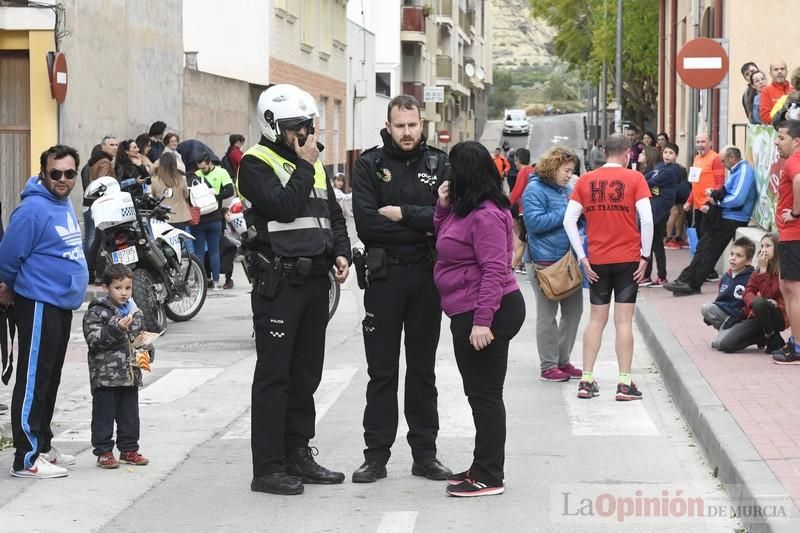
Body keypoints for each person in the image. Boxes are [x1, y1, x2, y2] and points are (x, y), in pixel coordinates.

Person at [236, 84, 351, 495]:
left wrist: (341, 252)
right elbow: (283, 207)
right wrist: (303, 166)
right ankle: (267, 468)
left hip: (316, 282)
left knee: (306, 374)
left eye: (308, 126)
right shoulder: (255, 163)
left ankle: (298, 454)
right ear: (271, 126)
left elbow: (333, 215)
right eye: (295, 127)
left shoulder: (314, 165)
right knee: (275, 377)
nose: (304, 134)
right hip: (279, 283)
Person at [351, 94, 451, 484]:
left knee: (423, 371)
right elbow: (367, 225)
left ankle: (425, 455)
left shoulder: (440, 164)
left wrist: (404, 214)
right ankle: (375, 457)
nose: (407, 132)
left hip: (428, 277)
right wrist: (423, 223)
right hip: (384, 278)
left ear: (421, 124)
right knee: (382, 373)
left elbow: (447, 221)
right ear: (388, 126)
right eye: (400, 125)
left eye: (412, 125)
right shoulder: (369, 165)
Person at [432, 141, 525, 497]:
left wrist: (482, 321)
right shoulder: (464, 208)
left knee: (485, 396)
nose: (447, 176)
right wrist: (442, 207)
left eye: (452, 169)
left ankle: (489, 476)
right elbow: (442, 238)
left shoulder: (485, 214)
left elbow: (493, 271)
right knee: (479, 394)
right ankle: (482, 464)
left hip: (487, 310)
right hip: (469, 308)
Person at [0, 145, 89, 478]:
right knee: (34, 377)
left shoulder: (61, 203)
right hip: (39, 302)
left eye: (69, 173)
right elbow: (8, 255)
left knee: (50, 378)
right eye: (55, 173)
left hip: (60, 304)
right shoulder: (33, 209)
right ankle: (26, 457)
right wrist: (7, 286)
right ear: (44, 172)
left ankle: (43, 444)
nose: (62, 179)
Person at [562, 134, 653, 401]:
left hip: (597, 259)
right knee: (623, 321)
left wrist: (582, 256)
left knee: (595, 320)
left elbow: (569, 221)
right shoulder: (636, 179)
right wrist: (645, 257)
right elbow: (646, 220)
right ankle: (624, 383)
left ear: (604, 151)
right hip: (628, 259)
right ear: (626, 154)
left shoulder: (586, 179)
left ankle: (586, 380)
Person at [522, 147, 583, 382]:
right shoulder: (534, 189)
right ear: (553, 167)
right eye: (566, 170)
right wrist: (568, 212)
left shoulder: (565, 189)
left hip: (567, 260)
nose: (569, 175)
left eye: (572, 171)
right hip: (543, 262)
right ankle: (548, 365)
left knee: (574, 312)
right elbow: (534, 223)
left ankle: (562, 360)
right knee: (547, 315)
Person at [83, 263, 152, 469]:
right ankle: (104, 451)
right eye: (118, 288)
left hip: (130, 374)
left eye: (128, 288)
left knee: (130, 416)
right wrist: (117, 327)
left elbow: (139, 338)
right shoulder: (97, 312)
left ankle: (129, 449)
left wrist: (147, 349)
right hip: (106, 377)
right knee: (104, 416)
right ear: (106, 288)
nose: (124, 293)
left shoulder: (134, 312)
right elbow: (94, 339)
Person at [665, 146, 757, 296]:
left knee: (709, 250)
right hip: (726, 216)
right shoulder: (736, 171)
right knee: (703, 247)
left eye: (723, 161)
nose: (722, 164)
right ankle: (685, 280)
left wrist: (718, 202)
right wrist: (713, 197)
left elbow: (738, 198)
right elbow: (726, 190)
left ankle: (691, 283)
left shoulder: (744, 171)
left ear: (732, 158)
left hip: (733, 217)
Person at [716, 234, 786, 354]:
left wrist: (763, 272)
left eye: (768, 246)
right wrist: (755, 300)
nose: (763, 250)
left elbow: (768, 294)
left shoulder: (782, 271)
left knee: (760, 303)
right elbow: (747, 291)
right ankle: (764, 336)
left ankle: (772, 340)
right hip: (757, 315)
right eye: (762, 246)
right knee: (725, 345)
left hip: (778, 317)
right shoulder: (758, 270)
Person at [771, 120, 800, 364]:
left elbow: (799, 181)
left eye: (782, 137)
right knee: (786, 287)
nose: (777, 142)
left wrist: (796, 213)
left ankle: (797, 346)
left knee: (793, 291)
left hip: (794, 234)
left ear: (796, 141)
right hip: (792, 236)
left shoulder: (794, 160)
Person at [700, 237, 755, 346]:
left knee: (719, 344)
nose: (733, 258)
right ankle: (724, 331)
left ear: (748, 261)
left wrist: (738, 316)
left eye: (739, 256)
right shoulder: (726, 276)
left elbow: (751, 305)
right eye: (732, 254)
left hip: (740, 319)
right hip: (726, 315)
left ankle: (747, 337)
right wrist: (710, 316)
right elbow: (720, 299)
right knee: (707, 308)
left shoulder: (751, 278)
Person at [192, 151, 235, 290]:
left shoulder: (221, 172)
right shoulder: (196, 175)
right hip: (202, 218)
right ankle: (207, 280)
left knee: (212, 251)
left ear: (209, 162)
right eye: (199, 168)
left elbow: (230, 191)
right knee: (204, 252)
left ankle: (212, 281)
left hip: (213, 216)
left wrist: (215, 196)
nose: (201, 171)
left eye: (204, 168)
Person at [641, 144, 678, 287]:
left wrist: (642, 181)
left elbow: (651, 181)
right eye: (666, 152)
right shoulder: (660, 167)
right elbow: (647, 177)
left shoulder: (671, 171)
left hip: (660, 208)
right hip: (655, 205)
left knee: (655, 243)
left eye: (671, 153)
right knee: (651, 242)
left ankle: (661, 277)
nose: (667, 155)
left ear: (675, 156)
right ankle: (647, 275)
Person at [684, 133, 725, 239]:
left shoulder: (715, 158)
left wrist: (710, 202)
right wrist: (689, 201)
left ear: (710, 143)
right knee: (699, 236)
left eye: (703, 142)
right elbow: (695, 182)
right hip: (697, 206)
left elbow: (720, 183)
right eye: (698, 142)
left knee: (706, 238)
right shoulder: (696, 158)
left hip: (708, 205)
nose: (700, 144)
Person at [150, 152, 192, 232]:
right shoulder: (182, 179)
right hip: (180, 215)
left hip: (162, 217)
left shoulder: (154, 180)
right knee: (180, 242)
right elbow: (186, 195)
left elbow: (153, 196)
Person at [508, 148, 533, 269]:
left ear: (517, 160)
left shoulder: (523, 171)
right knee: (522, 238)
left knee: (523, 240)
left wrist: (505, 205)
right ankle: (520, 263)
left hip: (524, 210)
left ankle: (512, 267)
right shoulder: (532, 170)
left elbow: (517, 191)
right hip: (528, 210)